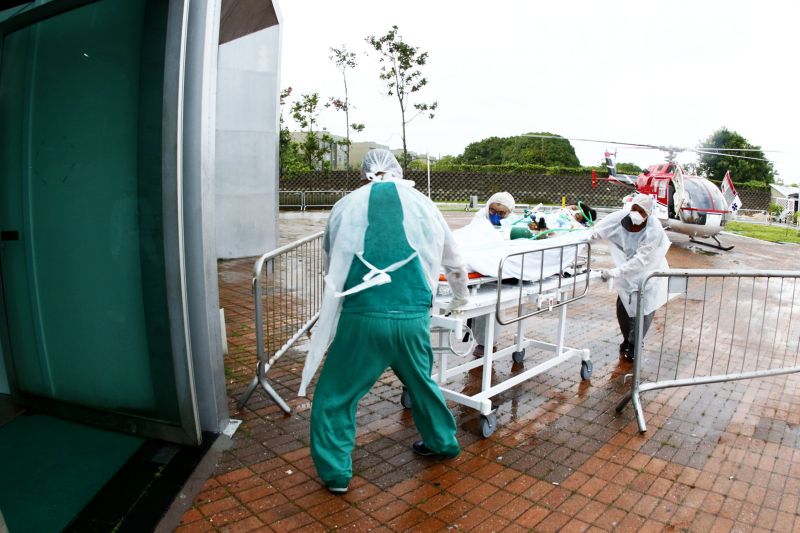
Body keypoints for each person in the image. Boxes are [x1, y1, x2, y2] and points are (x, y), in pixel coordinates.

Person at [300, 149, 469, 494]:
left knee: (336, 395)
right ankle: (443, 443)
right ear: (397, 170)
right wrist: (460, 298)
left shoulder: (346, 206)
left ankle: (336, 474)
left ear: (364, 173)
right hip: (412, 317)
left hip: (362, 317)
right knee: (422, 384)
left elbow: (331, 264)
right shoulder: (425, 205)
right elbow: (454, 262)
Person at [592, 194, 669, 361]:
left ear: (648, 213)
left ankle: (635, 345)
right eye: (634, 209)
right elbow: (598, 231)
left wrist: (615, 272)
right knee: (623, 309)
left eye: (641, 211)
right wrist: (587, 240)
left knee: (643, 312)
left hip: (648, 273)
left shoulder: (654, 229)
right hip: (627, 271)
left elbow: (641, 260)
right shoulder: (620, 218)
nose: (636, 213)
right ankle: (627, 339)